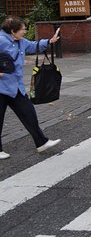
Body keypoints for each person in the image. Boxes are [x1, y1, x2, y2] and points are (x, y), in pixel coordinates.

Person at [0, 17, 62, 159]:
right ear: (12, 31)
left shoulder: (20, 41)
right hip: (1, 88)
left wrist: (49, 41)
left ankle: (41, 142)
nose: (25, 32)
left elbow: (34, 46)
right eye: (22, 29)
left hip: (15, 88)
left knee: (29, 114)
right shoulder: (1, 41)